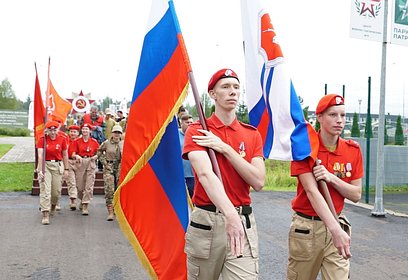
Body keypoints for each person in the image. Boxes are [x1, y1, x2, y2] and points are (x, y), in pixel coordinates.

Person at [182, 68, 265, 279]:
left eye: (236, 87)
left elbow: (258, 180)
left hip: (242, 222)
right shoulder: (198, 130)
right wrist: (229, 214)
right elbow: (205, 175)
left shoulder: (251, 134)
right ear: (212, 94)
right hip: (207, 222)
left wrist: (225, 149)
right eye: (226, 87)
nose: (233, 92)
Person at [287, 94, 363, 280]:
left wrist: (331, 178)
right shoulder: (305, 148)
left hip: (337, 225)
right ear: (319, 117)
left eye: (343, 115)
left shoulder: (352, 150)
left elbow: (356, 194)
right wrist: (336, 230)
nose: (339, 120)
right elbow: (312, 192)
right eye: (332, 115)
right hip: (307, 228)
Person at [36, 120, 69, 225]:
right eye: (51, 130)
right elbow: (40, 155)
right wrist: (40, 170)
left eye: (55, 130)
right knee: (46, 190)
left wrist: (66, 169)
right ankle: (45, 213)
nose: (53, 132)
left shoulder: (62, 139)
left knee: (56, 192)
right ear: (47, 130)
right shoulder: (42, 140)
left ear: (57, 130)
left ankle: (53, 205)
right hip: (46, 165)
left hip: (58, 165)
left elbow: (65, 155)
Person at [71, 123, 100, 215]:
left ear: (90, 131)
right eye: (83, 129)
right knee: (79, 186)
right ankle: (82, 199)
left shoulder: (94, 142)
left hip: (90, 161)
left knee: (89, 185)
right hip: (80, 162)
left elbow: (99, 152)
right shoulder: (77, 141)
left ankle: (85, 205)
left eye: (87, 129)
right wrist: (77, 156)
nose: (85, 131)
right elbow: (72, 154)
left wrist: (96, 157)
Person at [97, 125, 123, 221]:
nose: (117, 135)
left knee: (119, 189)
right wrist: (104, 162)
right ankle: (110, 211)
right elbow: (99, 152)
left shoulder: (123, 143)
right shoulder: (107, 143)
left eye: (118, 133)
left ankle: (118, 209)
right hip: (109, 167)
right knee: (109, 189)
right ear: (112, 133)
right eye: (115, 132)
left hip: (120, 168)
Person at [178, 113, 195, 198]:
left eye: (191, 122)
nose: (190, 124)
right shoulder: (176, 135)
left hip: (193, 176)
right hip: (179, 175)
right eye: (187, 122)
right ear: (181, 123)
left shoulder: (195, 135)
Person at [66, 125, 81, 210]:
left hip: (79, 163)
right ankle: (73, 201)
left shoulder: (80, 141)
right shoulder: (66, 140)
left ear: (78, 133)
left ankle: (82, 201)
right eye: (71, 131)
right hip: (69, 161)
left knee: (80, 183)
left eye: (74, 132)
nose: (72, 133)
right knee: (71, 182)